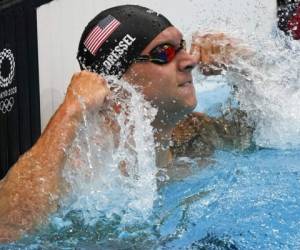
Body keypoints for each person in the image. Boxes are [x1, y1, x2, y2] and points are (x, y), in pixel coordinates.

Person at [0, 5, 252, 242]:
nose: (189, 61)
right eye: (164, 53)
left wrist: (244, 68)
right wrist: (71, 111)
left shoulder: (189, 133)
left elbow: (261, 138)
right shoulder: (83, 170)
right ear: (119, 83)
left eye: (182, 46)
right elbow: (9, 230)